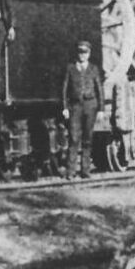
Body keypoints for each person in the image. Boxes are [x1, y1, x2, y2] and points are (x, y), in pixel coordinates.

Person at [59, 39, 105, 178]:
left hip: (90, 105)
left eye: (85, 52)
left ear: (89, 53)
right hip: (75, 106)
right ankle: (71, 171)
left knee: (87, 139)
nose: (82, 55)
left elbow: (99, 89)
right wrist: (65, 107)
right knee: (73, 138)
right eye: (80, 52)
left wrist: (101, 109)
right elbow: (64, 88)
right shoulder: (70, 68)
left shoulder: (94, 69)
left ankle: (85, 171)